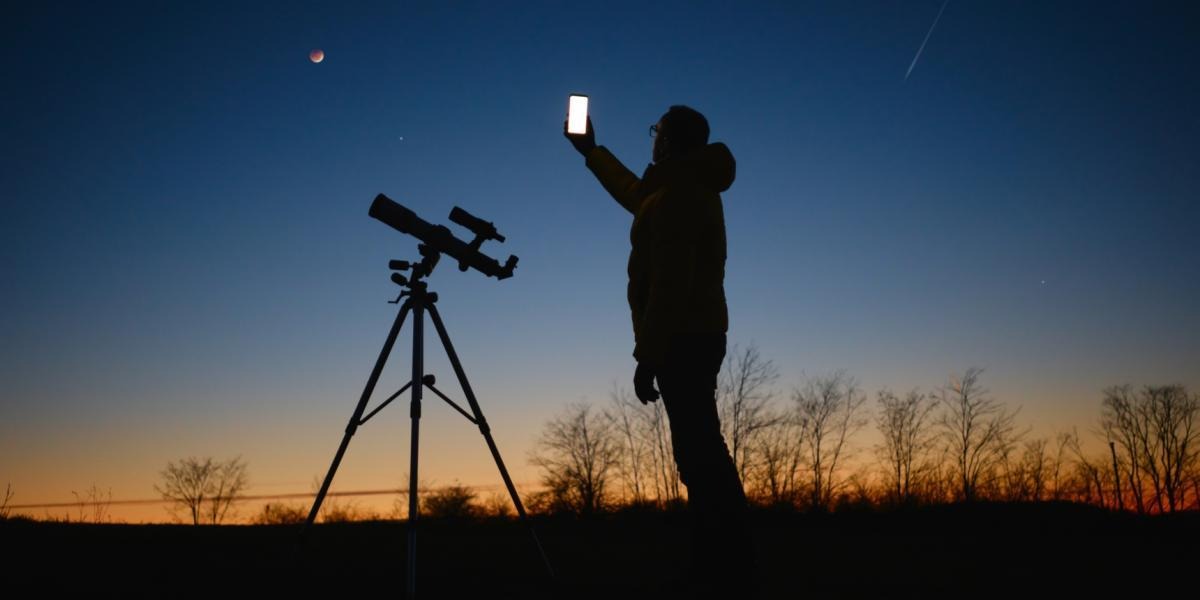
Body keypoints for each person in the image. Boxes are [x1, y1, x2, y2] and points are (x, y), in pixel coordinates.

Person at [565, 105, 755, 596]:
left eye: (656, 132)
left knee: (701, 456)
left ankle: (725, 567)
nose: (651, 139)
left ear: (668, 142)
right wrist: (591, 151)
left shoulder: (681, 193)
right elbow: (635, 194)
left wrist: (647, 357)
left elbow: (670, 286)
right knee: (700, 453)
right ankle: (723, 563)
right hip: (692, 336)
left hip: (683, 340)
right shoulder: (678, 187)